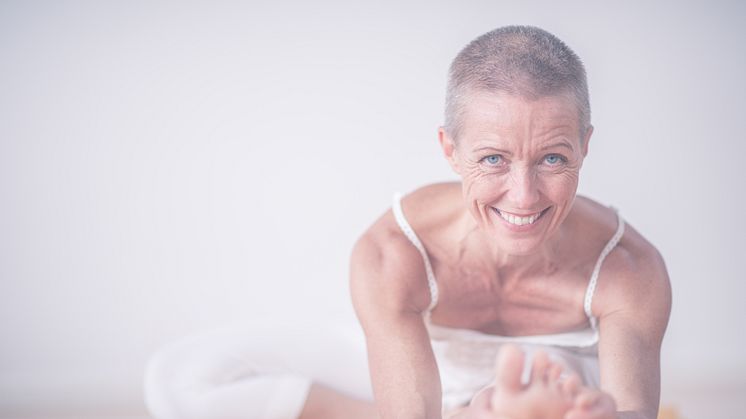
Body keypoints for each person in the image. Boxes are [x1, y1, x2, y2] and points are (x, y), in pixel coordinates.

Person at [144, 25, 671, 419]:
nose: (524, 194)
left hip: (559, 375)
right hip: (426, 361)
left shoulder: (628, 268)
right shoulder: (394, 251)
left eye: (553, 158)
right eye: (492, 159)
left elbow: (631, 409)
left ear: (584, 145)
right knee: (180, 377)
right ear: (449, 149)